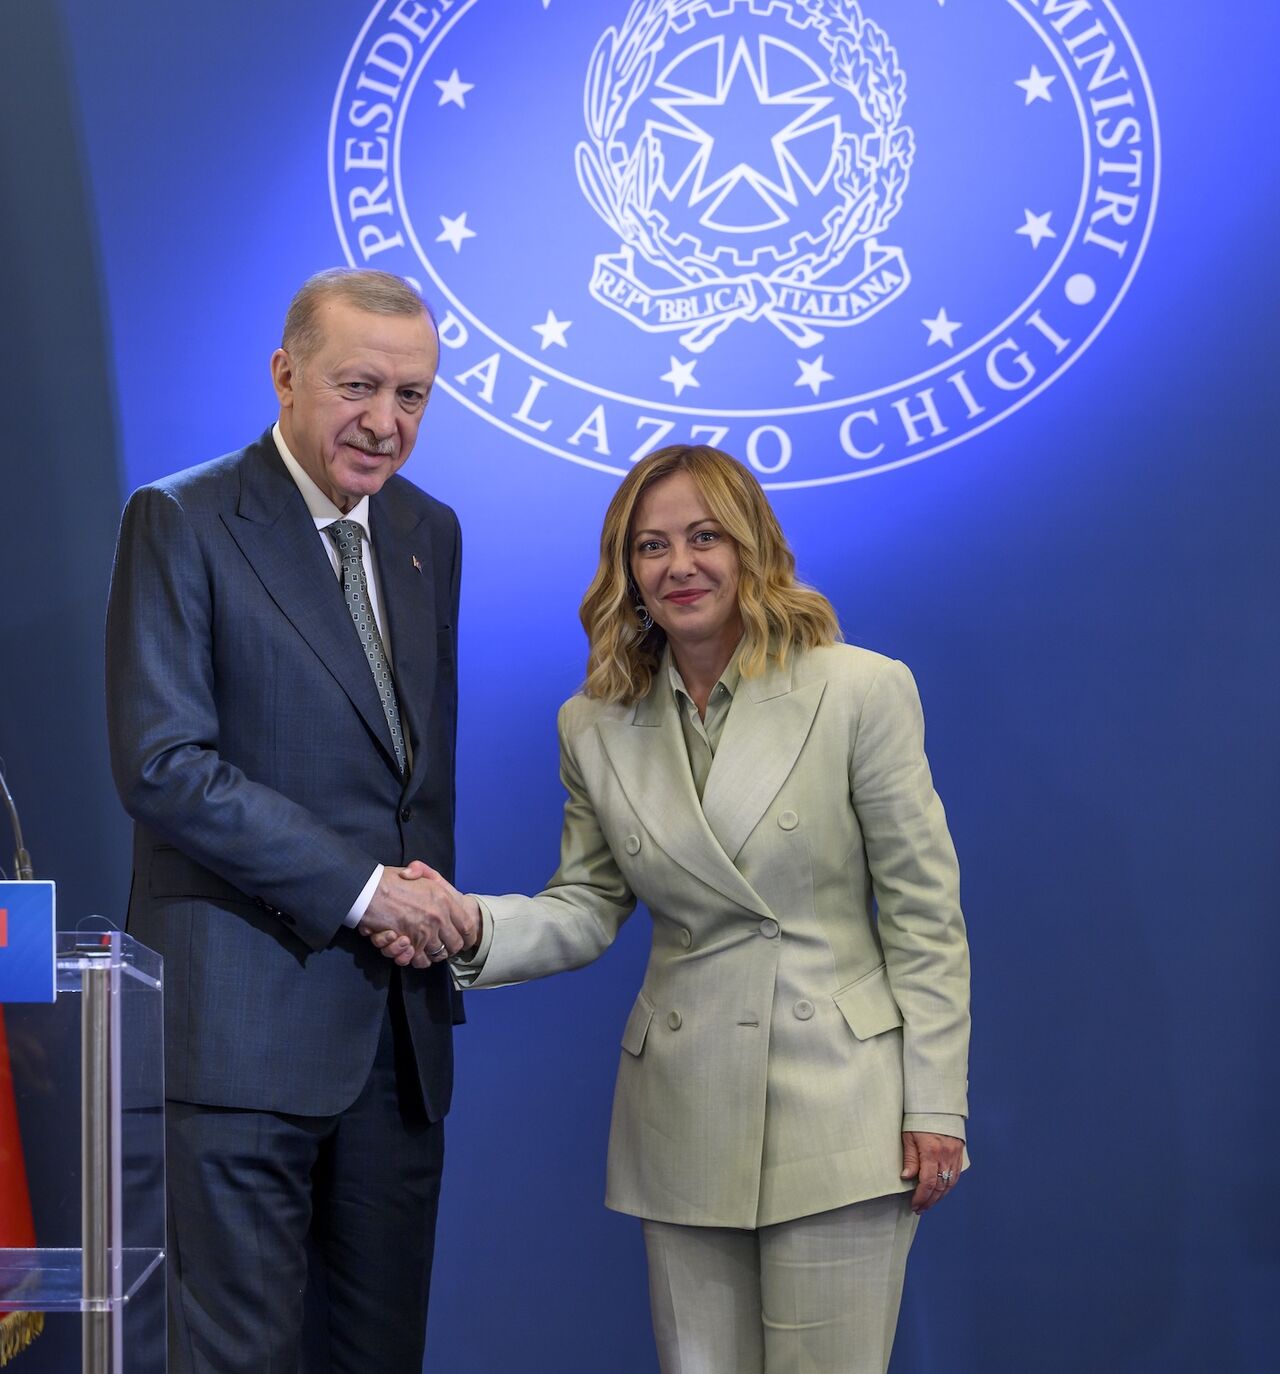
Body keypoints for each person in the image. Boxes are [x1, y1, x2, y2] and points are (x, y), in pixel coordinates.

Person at [381, 444, 971, 1373]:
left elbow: (924, 917)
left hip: (842, 1099)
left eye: (705, 537)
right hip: (684, 1107)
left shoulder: (859, 689)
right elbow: (585, 905)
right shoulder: (594, 722)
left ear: (751, 548)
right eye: (651, 547)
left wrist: (937, 1104)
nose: (679, 565)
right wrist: (469, 924)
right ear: (627, 572)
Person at [105, 267, 478, 1374]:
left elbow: (411, 779)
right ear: (284, 375)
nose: (385, 422)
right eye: (358, 386)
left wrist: (419, 922)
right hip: (241, 1038)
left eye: (412, 396)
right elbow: (165, 765)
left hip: (393, 1043)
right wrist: (368, 894)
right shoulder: (180, 519)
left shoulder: (427, 531)